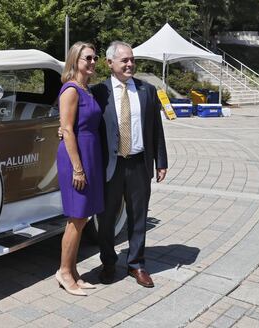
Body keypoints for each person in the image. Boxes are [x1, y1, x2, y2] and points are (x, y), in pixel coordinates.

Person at [92, 41, 168, 288]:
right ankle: (109, 262)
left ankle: (136, 264)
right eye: (124, 60)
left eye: (132, 59)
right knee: (105, 219)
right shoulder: (98, 92)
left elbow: (156, 129)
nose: (130, 64)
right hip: (110, 166)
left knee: (138, 216)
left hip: (138, 164)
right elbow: (86, 125)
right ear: (110, 63)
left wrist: (161, 160)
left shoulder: (147, 91)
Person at [55, 42, 104, 296]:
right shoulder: (71, 90)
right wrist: (78, 168)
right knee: (76, 218)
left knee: (82, 217)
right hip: (76, 158)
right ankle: (64, 272)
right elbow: (66, 130)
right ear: (75, 60)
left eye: (95, 58)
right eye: (88, 58)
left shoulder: (87, 89)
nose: (93, 62)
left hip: (89, 155)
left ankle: (73, 271)